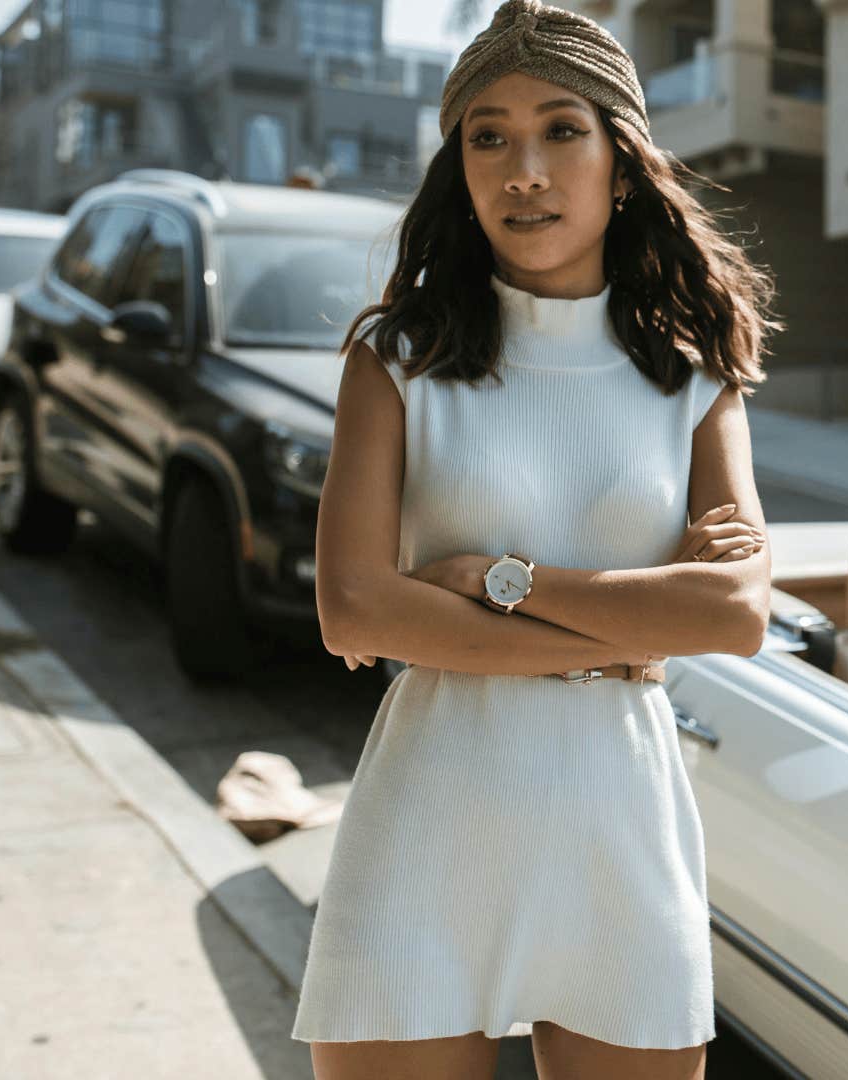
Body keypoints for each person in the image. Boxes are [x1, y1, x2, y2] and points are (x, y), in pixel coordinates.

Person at [290, 3, 777, 1078]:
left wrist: (503, 585)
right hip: (430, 819)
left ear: (621, 158)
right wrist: (615, 643)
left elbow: (733, 614)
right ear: (458, 167)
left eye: (561, 130)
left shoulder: (692, 377)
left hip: (617, 828)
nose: (525, 169)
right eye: (488, 135)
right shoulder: (398, 359)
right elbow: (357, 608)